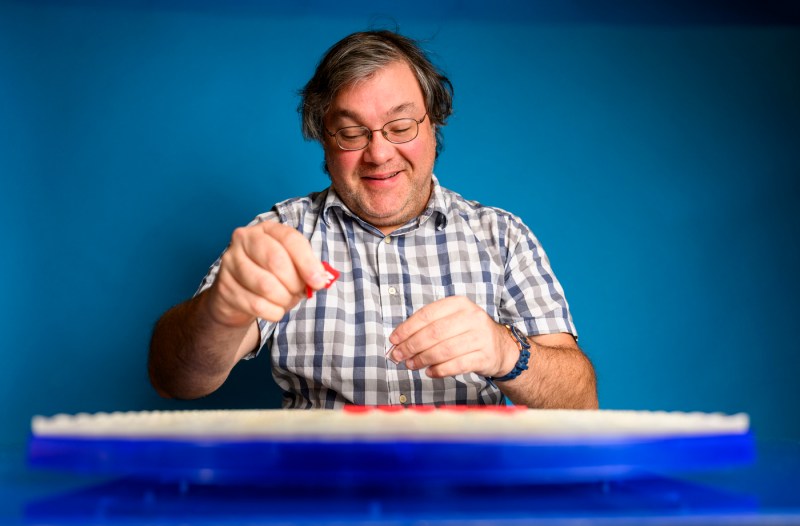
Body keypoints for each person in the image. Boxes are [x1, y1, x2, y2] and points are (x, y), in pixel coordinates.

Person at [148, 30, 598, 409]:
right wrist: (220, 312)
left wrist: (506, 351)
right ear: (322, 139)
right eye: (350, 132)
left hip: (464, 499)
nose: (379, 153)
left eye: (400, 127)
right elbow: (176, 380)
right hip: (323, 498)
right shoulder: (279, 235)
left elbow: (580, 401)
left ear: (433, 125)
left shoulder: (501, 236)